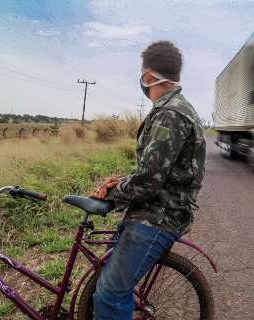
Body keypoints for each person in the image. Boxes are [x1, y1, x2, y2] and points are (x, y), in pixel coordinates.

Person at [92, 41, 206, 320]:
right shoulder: (173, 109)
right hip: (153, 210)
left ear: (148, 76)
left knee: (110, 293)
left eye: (142, 73)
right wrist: (120, 181)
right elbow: (157, 170)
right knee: (109, 280)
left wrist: (114, 192)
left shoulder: (170, 113)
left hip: (158, 216)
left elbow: (150, 181)